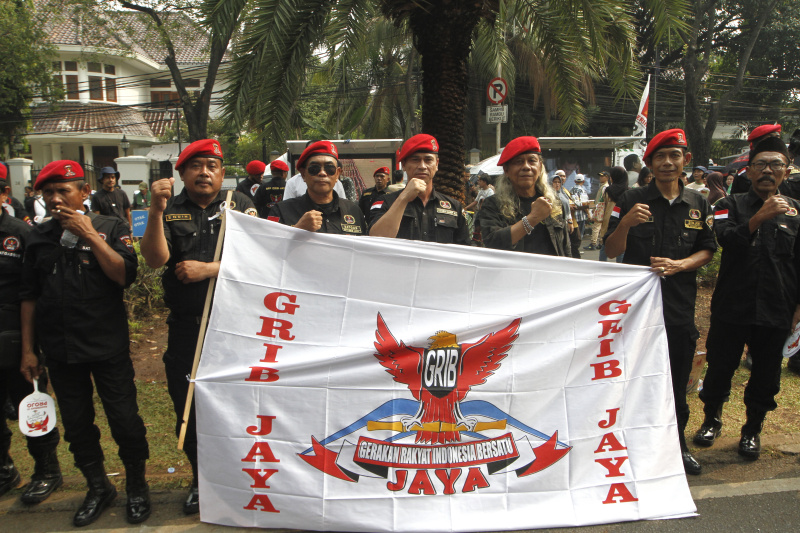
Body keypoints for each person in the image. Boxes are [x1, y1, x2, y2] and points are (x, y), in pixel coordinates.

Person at [19, 160, 150, 525]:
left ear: (84, 192)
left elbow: (123, 275)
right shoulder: (38, 236)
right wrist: (29, 350)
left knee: (124, 420)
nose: (57, 198)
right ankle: (98, 487)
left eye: (65, 190)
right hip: (60, 349)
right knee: (77, 425)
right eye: (49, 193)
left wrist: (89, 233)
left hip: (106, 345)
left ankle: (137, 486)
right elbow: (28, 296)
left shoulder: (110, 226)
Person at [139, 139, 256, 516]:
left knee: (238, 405)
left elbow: (259, 260)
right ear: (181, 173)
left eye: (211, 165)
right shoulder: (170, 210)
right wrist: (155, 211)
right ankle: (200, 479)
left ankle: (239, 479)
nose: (204, 172)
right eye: (195, 166)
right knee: (188, 405)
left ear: (222, 173)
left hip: (234, 328)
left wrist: (210, 269)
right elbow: (156, 260)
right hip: (188, 330)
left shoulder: (240, 204)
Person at [604, 128, 716, 476]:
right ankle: (632, 446)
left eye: (675, 155)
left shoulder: (699, 202)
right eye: (660, 157)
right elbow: (609, 250)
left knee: (677, 380)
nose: (668, 162)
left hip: (678, 310)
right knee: (633, 379)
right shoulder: (631, 197)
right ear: (649, 163)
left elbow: (708, 249)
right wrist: (625, 223)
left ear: (686, 160)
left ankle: (677, 445)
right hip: (635, 313)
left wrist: (681, 264)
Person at [692, 137, 799, 461]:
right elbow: (726, 240)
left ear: (786, 171)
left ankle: (752, 429)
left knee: (766, 375)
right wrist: (759, 217)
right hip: (732, 306)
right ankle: (711, 420)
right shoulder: (729, 204)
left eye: (775, 165)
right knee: (720, 370)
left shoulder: (796, 211)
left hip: (776, 307)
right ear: (749, 171)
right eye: (761, 165)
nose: (768, 171)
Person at [0, 172, 62, 505]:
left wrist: (30, 348)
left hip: (14, 339)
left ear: (4, 194)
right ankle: (5, 470)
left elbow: (32, 294)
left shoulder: (22, 234)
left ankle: (47, 470)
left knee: (30, 405)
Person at [369, 134, 470, 245]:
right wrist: (403, 198)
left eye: (428, 160)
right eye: (415, 160)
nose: (422, 166)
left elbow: (465, 251)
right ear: (404, 165)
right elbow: (375, 239)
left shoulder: (454, 207)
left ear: (436, 164)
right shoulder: (386, 202)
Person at [477, 136, 569, 256]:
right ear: (506, 170)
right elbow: (492, 242)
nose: (526, 167)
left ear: (540, 166)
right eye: (518, 162)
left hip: (549, 274)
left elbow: (566, 246)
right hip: (512, 273)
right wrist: (532, 219)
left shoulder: (553, 201)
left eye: (532, 161)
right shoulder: (492, 204)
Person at [267, 141, 366, 234]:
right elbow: (267, 248)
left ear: (337, 174)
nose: (322, 173)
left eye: (329, 168)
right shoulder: (281, 211)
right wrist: (298, 230)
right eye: (314, 168)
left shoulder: (354, 211)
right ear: (303, 174)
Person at [598, 166, 628, 262]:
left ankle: (601, 266)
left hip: (609, 219)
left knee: (605, 244)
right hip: (622, 220)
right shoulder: (628, 191)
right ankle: (620, 267)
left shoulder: (608, 190)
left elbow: (603, 206)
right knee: (621, 245)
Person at [585, 170, 609, 251]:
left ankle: (593, 243)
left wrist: (595, 208)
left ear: (607, 177)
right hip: (602, 208)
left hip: (600, 208)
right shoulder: (604, 186)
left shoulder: (605, 187)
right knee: (601, 227)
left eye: (602, 176)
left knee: (596, 226)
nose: (600, 178)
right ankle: (601, 242)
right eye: (600, 176)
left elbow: (601, 200)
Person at [570, 174, 590, 244]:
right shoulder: (582, 190)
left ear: (575, 181)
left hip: (573, 215)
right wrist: (588, 214)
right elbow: (584, 204)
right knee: (579, 235)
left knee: (573, 234)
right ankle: (576, 250)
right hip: (581, 215)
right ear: (583, 181)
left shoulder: (571, 190)